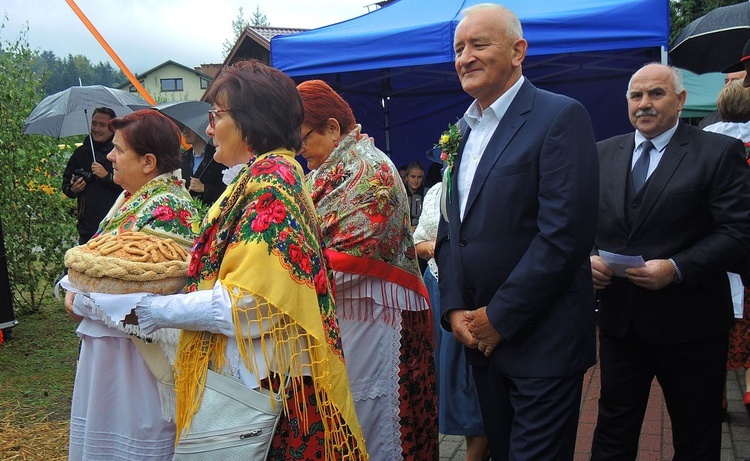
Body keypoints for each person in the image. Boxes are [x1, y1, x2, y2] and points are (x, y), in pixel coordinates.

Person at [127, 61, 367, 460]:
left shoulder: (271, 185)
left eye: (216, 116)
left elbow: (249, 305)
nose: (207, 129)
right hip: (264, 375)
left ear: (251, 121)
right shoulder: (262, 178)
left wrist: (150, 310)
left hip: (265, 384)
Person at [435, 4, 599, 461]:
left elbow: (565, 234)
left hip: (541, 342)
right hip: (481, 346)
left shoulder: (559, 117)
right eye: (459, 48)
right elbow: (452, 233)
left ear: (518, 51)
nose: (465, 57)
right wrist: (453, 310)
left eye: (479, 44)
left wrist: (498, 318)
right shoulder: (462, 134)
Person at [590, 63, 750, 460]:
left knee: (696, 434)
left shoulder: (717, 151)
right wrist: (586, 259)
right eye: (636, 95)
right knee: (613, 430)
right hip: (620, 325)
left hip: (691, 325)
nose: (644, 103)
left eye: (656, 93)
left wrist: (677, 268)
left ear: (680, 100)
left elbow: (739, 232)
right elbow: (580, 224)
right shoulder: (602, 153)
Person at [297, 79, 436, 460]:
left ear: (332, 127)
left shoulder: (367, 170)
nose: (300, 150)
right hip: (348, 315)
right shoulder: (332, 168)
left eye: (304, 138)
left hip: (376, 319)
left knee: (372, 422)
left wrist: (282, 277)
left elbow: (348, 257)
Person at [63, 109, 198, 460]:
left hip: (137, 355)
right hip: (112, 346)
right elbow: (97, 263)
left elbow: (143, 291)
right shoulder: (131, 197)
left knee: (132, 437)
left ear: (149, 161)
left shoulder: (168, 206)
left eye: (119, 149)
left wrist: (77, 300)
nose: (109, 155)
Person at [414, 181, 488, 461]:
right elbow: (417, 240)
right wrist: (431, 247)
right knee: (441, 371)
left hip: (471, 289)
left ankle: (476, 451)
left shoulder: (483, 186)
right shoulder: (435, 192)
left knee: (468, 376)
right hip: (436, 286)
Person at [704, 79, 750, 417]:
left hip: (714, 248)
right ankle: (749, 391)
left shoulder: (706, 140)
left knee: (717, 326)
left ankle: (717, 396)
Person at [62, 107, 122, 244]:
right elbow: (65, 185)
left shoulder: (120, 153)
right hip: (87, 226)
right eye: (94, 123)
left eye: (102, 125)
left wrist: (107, 176)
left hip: (115, 224)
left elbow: (129, 187)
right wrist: (73, 189)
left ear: (112, 127)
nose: (96, 128)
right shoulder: (80, 153)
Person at [179, 126, 227, 206]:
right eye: (183, 128)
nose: (185, 131)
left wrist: (205, 188)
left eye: (189, 128)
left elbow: (227, 189)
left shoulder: (217, 157)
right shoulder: (183, 158)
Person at [404, 161, 425, 228]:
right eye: (413, 177)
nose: (416, 180)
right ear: (406, 178)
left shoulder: (428, 193)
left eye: (419, 177)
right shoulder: (400, 192)